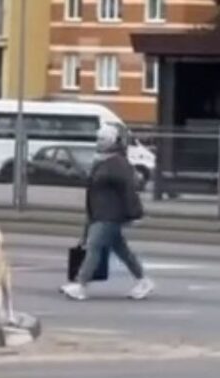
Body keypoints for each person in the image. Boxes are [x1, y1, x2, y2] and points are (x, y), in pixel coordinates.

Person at [61, 124, 154, 301]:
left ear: (112, 141)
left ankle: (81, 284)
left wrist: (134, 213)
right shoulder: (103, 161)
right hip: (101, 212)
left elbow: (128, 190)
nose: (99, 142)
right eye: (98, 139)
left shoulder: (118, 163)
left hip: (110, 214)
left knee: (94, 246)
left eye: (102, 139)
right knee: (121, 250)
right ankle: (143, 280)